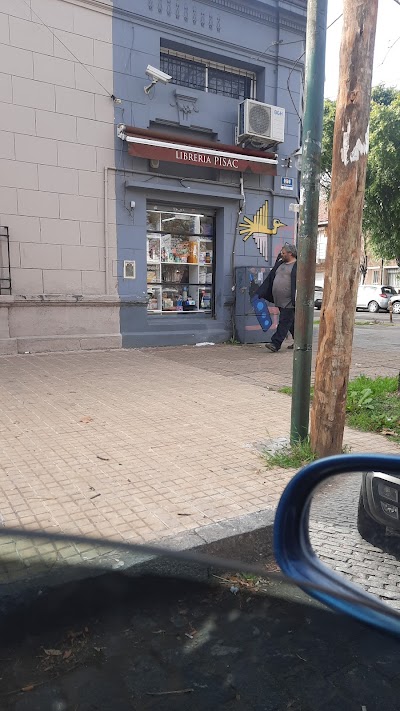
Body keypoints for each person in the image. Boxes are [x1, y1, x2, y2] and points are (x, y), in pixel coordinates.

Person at [257, 243, 297, 352]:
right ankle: (299, 341)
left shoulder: (297, 266)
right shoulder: (279, 263)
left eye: (284, 253)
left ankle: (276, 343)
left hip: (290, 300)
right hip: (279, 299)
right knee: (290, 321)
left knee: (284, 321)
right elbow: (271, 278)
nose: (281, 254)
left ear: (291, 253)